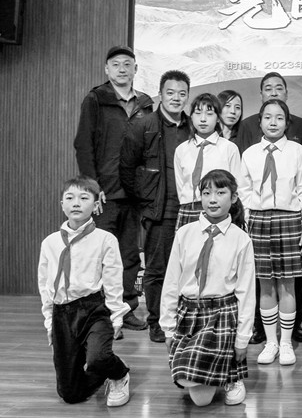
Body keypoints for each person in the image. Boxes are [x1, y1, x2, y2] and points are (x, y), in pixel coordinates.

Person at [74, 45, 153, 332]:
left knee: (129, 254)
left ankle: (126, 308)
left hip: (133, 192)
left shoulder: (145, 103)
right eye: (116, 64)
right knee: (101, 255)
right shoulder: (96, 99)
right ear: (107, 69)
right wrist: (92, 187)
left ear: (135, 69)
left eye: (127, 64)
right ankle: (101, 315)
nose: (122, 69)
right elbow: (83, 144)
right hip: (104, 192)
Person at [160, 170, 255, 407]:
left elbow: (246, 292)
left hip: (221, 315)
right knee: (195, 392)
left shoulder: (241, 239)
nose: (213, 199)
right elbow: (171, 282)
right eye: (206, 193)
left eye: (220, 193)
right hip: (189, 314)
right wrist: (168, 327)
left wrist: (242, 339)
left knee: (201, 399)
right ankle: (217, 373)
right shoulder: (185, 233)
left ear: (234, 197)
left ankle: (232, 376)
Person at [37, 176, 131, 407]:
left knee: (98, 357)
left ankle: (119, 374)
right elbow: (45, 284)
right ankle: (102, 370)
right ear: (62, 204)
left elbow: (113, 281)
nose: (76, 203)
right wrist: (49, 321)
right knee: (70, 393)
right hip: (62, 313)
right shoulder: (50, 243)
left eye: (84, 198)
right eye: (70, 198)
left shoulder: (105, 239)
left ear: (96, 204)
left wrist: (116, 316)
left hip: (93, 309)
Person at [234, 72, 302, 344]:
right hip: (258, 221)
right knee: (264, 284)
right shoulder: (249, 154)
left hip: (289, 221)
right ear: (260, 122)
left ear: (287, 122)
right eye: (268, 117)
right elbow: (244, 192)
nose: (273, 122)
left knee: (288, 284)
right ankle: (271, 342)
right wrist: (247, 223)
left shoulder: (297, 152)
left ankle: (286, 343)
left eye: (279, 118)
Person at [119, 70, 192, 342]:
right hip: (160, 208)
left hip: (191, 210)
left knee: (187, 268)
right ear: (161, 94)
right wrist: (145, 198)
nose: (176, 98)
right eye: (170, 93)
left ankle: (182, 319)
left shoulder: (193, 126)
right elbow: (127, 167)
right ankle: (157, 322)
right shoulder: (145, 124)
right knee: (157, 269)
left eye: (182, 93)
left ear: (187, 96)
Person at [173, 93, 242, 229]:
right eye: (198, 113)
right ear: (191, 116)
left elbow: (236, 185)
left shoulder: (229, 148)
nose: (203, 119)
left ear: (218, 118)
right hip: (189, 210)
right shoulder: (181, 150)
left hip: (219, 211)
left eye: (209, 114)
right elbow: (181, 186)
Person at [234, 72, 302, 151]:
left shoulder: (301, 125)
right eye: (268, 89)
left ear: (286, 94)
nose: (274, 93)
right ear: (261, 95)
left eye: (279, 89)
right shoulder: (247, 125)